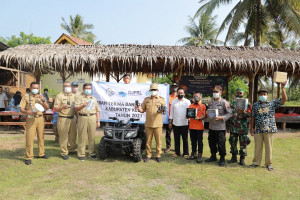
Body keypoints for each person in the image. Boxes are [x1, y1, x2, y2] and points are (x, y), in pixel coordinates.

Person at [250, 81, 287, 171]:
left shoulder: (272, 103)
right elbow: (253, 117)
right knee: (258, 147)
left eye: (265, 94)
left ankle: (268, 164)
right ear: (259, 95)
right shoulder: (255, 105)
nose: (263, 95)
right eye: (261, 94)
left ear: (267, 95)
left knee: (268, 147)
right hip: (258, 129)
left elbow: (284, 100)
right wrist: (251, 127)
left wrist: (282, 88)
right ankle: (256, 163)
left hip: (269, 128)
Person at [19, 82, 49, 165]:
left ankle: (41, 154)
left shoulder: (41, 97)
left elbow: (47, 108)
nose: (36, 89)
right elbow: (21, 109)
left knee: (41, 137)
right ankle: (28, 157)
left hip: (40, 119)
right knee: (30, 138)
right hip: (31, 119)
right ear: (31, 88)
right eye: (34, 88)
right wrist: (27, 112)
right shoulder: (25, 97)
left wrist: (43, 100)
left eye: (37, 88)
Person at [135, 83, 166, 163]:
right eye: (152, 90)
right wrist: (138, 108)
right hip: (148, 124)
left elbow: (164, 110)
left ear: (157, 90)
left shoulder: (161, 99)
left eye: (154, 90)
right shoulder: (146, 100)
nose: (153, 91)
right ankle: (148, 155)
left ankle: (158, 155)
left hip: (158, 124)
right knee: (148, 141)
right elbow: (142, 110)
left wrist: (162, 110)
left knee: (158, 141)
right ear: (149, 91)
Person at [206, 85, 232, 167]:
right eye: (214, 92)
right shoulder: (210, 102)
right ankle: (213, 156)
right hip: (211, 126)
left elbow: (230, 113)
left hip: (220, 127)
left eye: (216, 92)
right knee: (211, 142)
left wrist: (222, 117)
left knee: (221, 143)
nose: (215, 93)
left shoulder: (224, 102)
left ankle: (222, 158)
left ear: (220, 93)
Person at [75, 83, 100, 161]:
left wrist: (98, 121)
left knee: (91, 137)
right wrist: (83, 105)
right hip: (82, 117)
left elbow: (97, 110)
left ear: (91, 90)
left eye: (89, 88)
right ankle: (81, 154)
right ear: (83, 89)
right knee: (82, 137)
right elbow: (76, 109)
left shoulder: (94, 99)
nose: (88, 90)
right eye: (86, 88)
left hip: (92, 117)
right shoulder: (79, 98)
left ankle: (91, 153)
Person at [226, 88, 252, 166]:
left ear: (243, 94)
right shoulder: (232, 104)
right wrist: (227, 125)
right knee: (233, 143)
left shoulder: (247, 104)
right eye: (237, 93)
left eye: (240, 93)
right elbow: (229, 115)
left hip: (242, 128)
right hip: (233, 127)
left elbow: (250, 115)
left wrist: (244, 112)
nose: (239, 94)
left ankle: (242, 159)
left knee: (243, 143)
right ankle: (234, 157)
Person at [54, 82, 76, 160]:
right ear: (63, 87)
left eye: (69, 86)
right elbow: (55, 108)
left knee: (73, 135)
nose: (67, 87)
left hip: (73, 118)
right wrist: (62, 107)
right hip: (63, 118)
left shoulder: (74, 96)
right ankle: (64, 152)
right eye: (65, 86)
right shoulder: (59, 96)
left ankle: (72, 149)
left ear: (71, 87)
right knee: (63, 136)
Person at [169, 88, 191, 158]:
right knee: (176, 139)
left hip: (185, 123)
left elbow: (190, 112)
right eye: (179, 93)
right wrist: (170, 122)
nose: (180, 94)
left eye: (181, 93)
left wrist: (189, 119)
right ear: (177, 93)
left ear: (184, 94)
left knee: (185, 139)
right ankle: (177, 152)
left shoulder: (187, 102)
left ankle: (186, 153)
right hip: (175, 123)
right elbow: (171, 112)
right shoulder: (173, 101)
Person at [187, 92, 206, 163]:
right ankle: (193, 154)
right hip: (191, 126)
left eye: (197, 96)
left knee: (200, 142)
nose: (196, 98)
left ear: (200, 97)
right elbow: (188, 114)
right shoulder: (190, 105)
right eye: (194, 96)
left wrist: (199, 118)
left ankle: (200, 155)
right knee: (193, 141)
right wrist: (187, 116)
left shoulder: (203, 106)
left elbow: (204, 116)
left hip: (199, 127)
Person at [164, 82, 178, 153]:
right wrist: (163, 86)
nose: (174, 88)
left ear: (178, 87)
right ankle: (168, 146)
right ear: (171, 88)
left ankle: (176, 147)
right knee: (168, 133)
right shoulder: (168, 96)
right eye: (173, 86)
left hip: (177, 118)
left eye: (175, 86)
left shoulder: (179, 97)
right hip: (169, 117)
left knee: (176, 133)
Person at [68, 81, 81, 153]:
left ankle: (80, 146)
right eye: (74, 86)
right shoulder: (69, 94)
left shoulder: (81, 94)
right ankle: (71, 145)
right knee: (72, 131)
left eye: (76, 86)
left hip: (80, 114)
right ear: (71, 87)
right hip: (72, 114)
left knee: (81, 131)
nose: (75, 87)